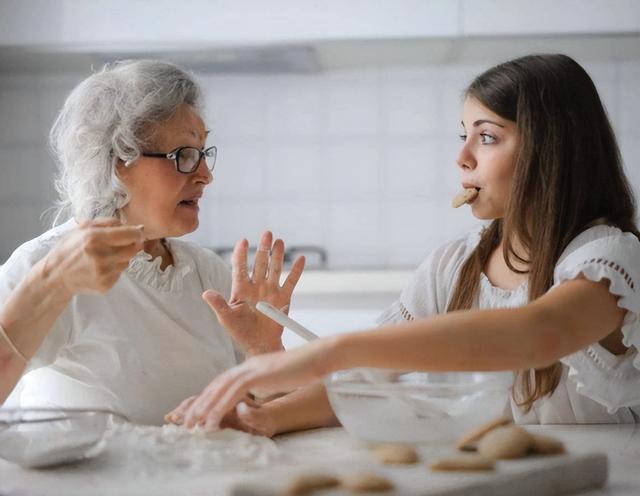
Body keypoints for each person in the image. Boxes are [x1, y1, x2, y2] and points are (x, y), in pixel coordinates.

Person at [168, 53, 640, 432]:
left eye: (488, 137)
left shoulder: (611, 260)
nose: (461, 158)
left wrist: (336, 349)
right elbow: (367, 380)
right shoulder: (453, 266)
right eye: (464, 136)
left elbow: (541, 334)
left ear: (551, 149)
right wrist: (265, 417)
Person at [0, 60, 305, 425]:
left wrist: (264, 352)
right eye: (184, 155)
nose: (205, 175)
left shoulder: (206, 272)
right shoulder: (44, 264)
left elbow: (267, 416)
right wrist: (50, 283)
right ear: (115, 161)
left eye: (203, 153)